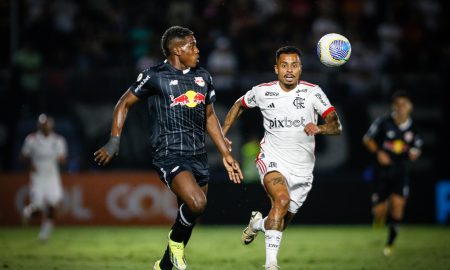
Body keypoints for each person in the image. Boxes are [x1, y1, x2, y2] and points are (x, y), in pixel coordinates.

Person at [94, 26, 243, 270]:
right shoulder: (155, 76)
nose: (197, 50)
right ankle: (174, 243)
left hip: (198, 155)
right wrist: (114, 140)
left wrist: (226, 153)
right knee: (197, 203)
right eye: (191, 46)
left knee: (189, 214)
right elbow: (123, 104)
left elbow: (209, 116)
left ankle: (163, 266)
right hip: (169, 153)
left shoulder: (203, 76)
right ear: (176, 50)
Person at [222, 46, 342, 270]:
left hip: (303, 170)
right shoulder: (262, 91)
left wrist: (320, 128)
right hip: (272, 159)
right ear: (276, 68)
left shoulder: (313, 92)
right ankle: (271, 265)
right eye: (284, 65)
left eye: (294, 65)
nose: (289, 70)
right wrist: (222, 134)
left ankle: (257, 224)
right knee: (281, 200)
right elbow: (239, 105)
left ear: (301, 69)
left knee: (279, 222)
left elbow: (336, 126)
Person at [362, 90, 422, 256]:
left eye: (404, 104)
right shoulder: (383, 122)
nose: (401, 107)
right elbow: (367, 139)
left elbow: (417, 148)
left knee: (398, 205)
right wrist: (379, 153)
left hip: (401, 172)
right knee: (379, 211)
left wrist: (414, 154)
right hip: (381, 172)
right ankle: (380, 216)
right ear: (393, 106)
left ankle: (390, 244)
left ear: (410, 107)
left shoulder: (414, 128)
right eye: (398, 104)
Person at [21, 113, 67, 242]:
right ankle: (28, 211)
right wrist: (30, 165)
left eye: (47, 123)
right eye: (43, 124)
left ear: (51, 125)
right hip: (37, 178)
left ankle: (44, 235)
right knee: (39, 209)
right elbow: (23, 156)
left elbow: (63, 159)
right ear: (39, 125)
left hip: (52, 178)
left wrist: (61, 159)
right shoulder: (31, 140)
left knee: (53, 207)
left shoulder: (58, 140)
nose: (45, 126)